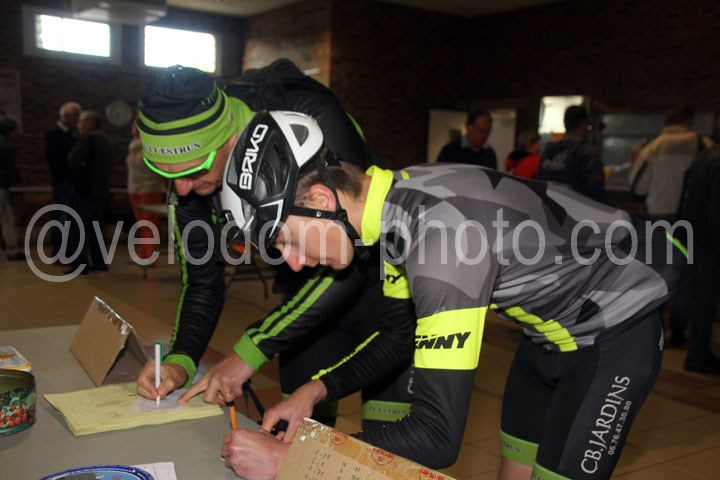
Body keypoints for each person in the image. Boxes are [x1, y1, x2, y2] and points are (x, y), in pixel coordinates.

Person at [218, 111, 687, 480]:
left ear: (321, 201)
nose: (293, 263)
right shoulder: (394, 206)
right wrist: (314, 391)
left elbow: (436, 437)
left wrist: (297, 459)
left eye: (284, 240)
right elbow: (399, 338)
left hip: (612, 338)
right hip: (545, 337)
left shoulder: (439, 244)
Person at [133, 62, 415, 431]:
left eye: (194, 170)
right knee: (291, 439)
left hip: (383, 290)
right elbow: (202, 281)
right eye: (167, 174)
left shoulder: (311, 115)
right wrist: (180, 359)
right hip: (307, 296)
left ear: (229, 139)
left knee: (388, 444)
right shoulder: (188, 186)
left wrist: (250, 351)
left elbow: (347, 245)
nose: (183, 188)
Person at [628, 105, 711, 347]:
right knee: (685, 275)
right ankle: (679, 331)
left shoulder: (653, 147)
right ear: (689, 120)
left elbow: (637, 186)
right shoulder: (702, 145)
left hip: (659, 218)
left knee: (658, 272)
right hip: (692, 218)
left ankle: (657, 330)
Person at [680, 144, 720, 374]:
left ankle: (697, 349)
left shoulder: (704, 156)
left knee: (700, 298)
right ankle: (698, 352)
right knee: (705, 299)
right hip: (709, 241)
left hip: (695, 235)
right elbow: (715, 211)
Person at [66, 110, 115, 273]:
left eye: (81, 121)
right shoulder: (107, 139)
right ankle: (99, 262)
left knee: (79, 228)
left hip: (84, 190)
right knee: (97, 229)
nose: (79, 125)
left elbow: (72, 161)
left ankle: (80, 264)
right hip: (101, 191)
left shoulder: (87, 139)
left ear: (90, 123)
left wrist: (79, 164)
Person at [537, 105, 605, 202]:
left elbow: (539, 183)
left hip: (548, 206)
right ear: (584, 124)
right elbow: (596, 191)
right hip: (579, 208)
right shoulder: (587, 151)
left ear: (565, 123)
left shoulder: (550, 149)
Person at [126, 116, 165, 263]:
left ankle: (150, 256)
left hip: (149, 187)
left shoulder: (152, 145)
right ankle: (143, 253)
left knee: (149, 223)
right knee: (141, 223)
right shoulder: (132, 145)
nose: (134, 128)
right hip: (134, 187)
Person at [45, 101, 81, 258]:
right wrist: (63, 179)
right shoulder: (54, 134)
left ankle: (70, 249)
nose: (78, 119)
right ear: (65, 116)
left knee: (71, 217)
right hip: (63, 182)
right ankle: (59, 250)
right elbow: (54, 160)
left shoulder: (75, 134)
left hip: (73, 181)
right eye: (75, 115)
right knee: (62, 216)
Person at [0, 118, 23, 261]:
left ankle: (12, 250)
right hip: (1, 186)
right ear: (9, 132)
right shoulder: (9, 147)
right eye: (15, 131)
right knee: (6, 218)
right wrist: (20, 182)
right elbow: (11, 169)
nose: (17, 135)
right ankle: (12, 250)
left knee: (8, 218)